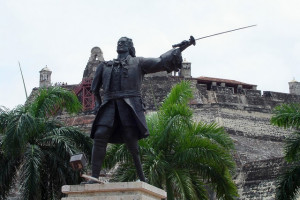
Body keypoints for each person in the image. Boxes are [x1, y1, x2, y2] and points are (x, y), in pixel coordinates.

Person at [85, 37, 182, 183]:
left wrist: (180, 49)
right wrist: (98, 103)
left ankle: (142, 178)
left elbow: (160, 61)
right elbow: (94, 88)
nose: (120, 43)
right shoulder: (105, 66)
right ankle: (94, 177)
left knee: (131, 141)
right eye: (119, 41)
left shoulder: (138, 63)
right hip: (109, 103)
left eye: (125, 42)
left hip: (129, 104)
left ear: (130, 47)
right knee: (100, 135)